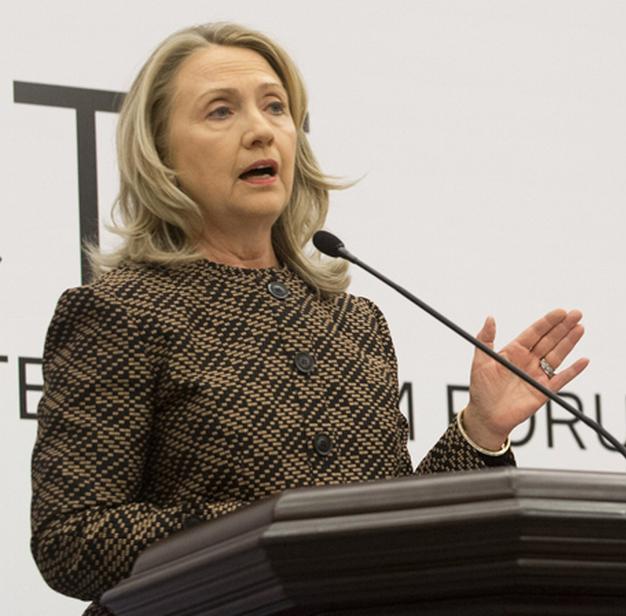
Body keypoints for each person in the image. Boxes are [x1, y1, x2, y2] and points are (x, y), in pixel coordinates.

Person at [29, 23, 589, 615]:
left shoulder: (356, 323)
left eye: (275, 107)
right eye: (221, 111)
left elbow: (392, 532)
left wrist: (479, 430)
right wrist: (271, 528)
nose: (260, 130)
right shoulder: (119, 312)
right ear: (161, 155)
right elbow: (70, 540)